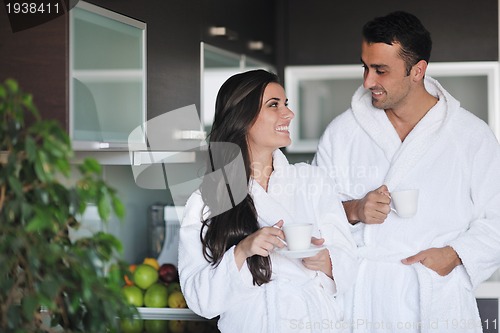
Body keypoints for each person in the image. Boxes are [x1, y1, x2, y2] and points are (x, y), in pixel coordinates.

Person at [313, 11, 500, 332]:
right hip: (365, 297)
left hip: (435, 296)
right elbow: (312, 214)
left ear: (418, 70)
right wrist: (355, 209)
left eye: (381, 70)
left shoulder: (471, 135)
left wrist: (454, 255)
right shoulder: (342, 132)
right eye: (365, 67)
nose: (368, 81)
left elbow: (497, 219)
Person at [178, 69, 358, 333]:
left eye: (286, 104)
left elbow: (349, 262)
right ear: (242, 117)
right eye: (274, 105)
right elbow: (200, 300)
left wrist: (324, 260)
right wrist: (242, 251)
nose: (288, 113)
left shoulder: (312, 182)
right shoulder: (206, 200)